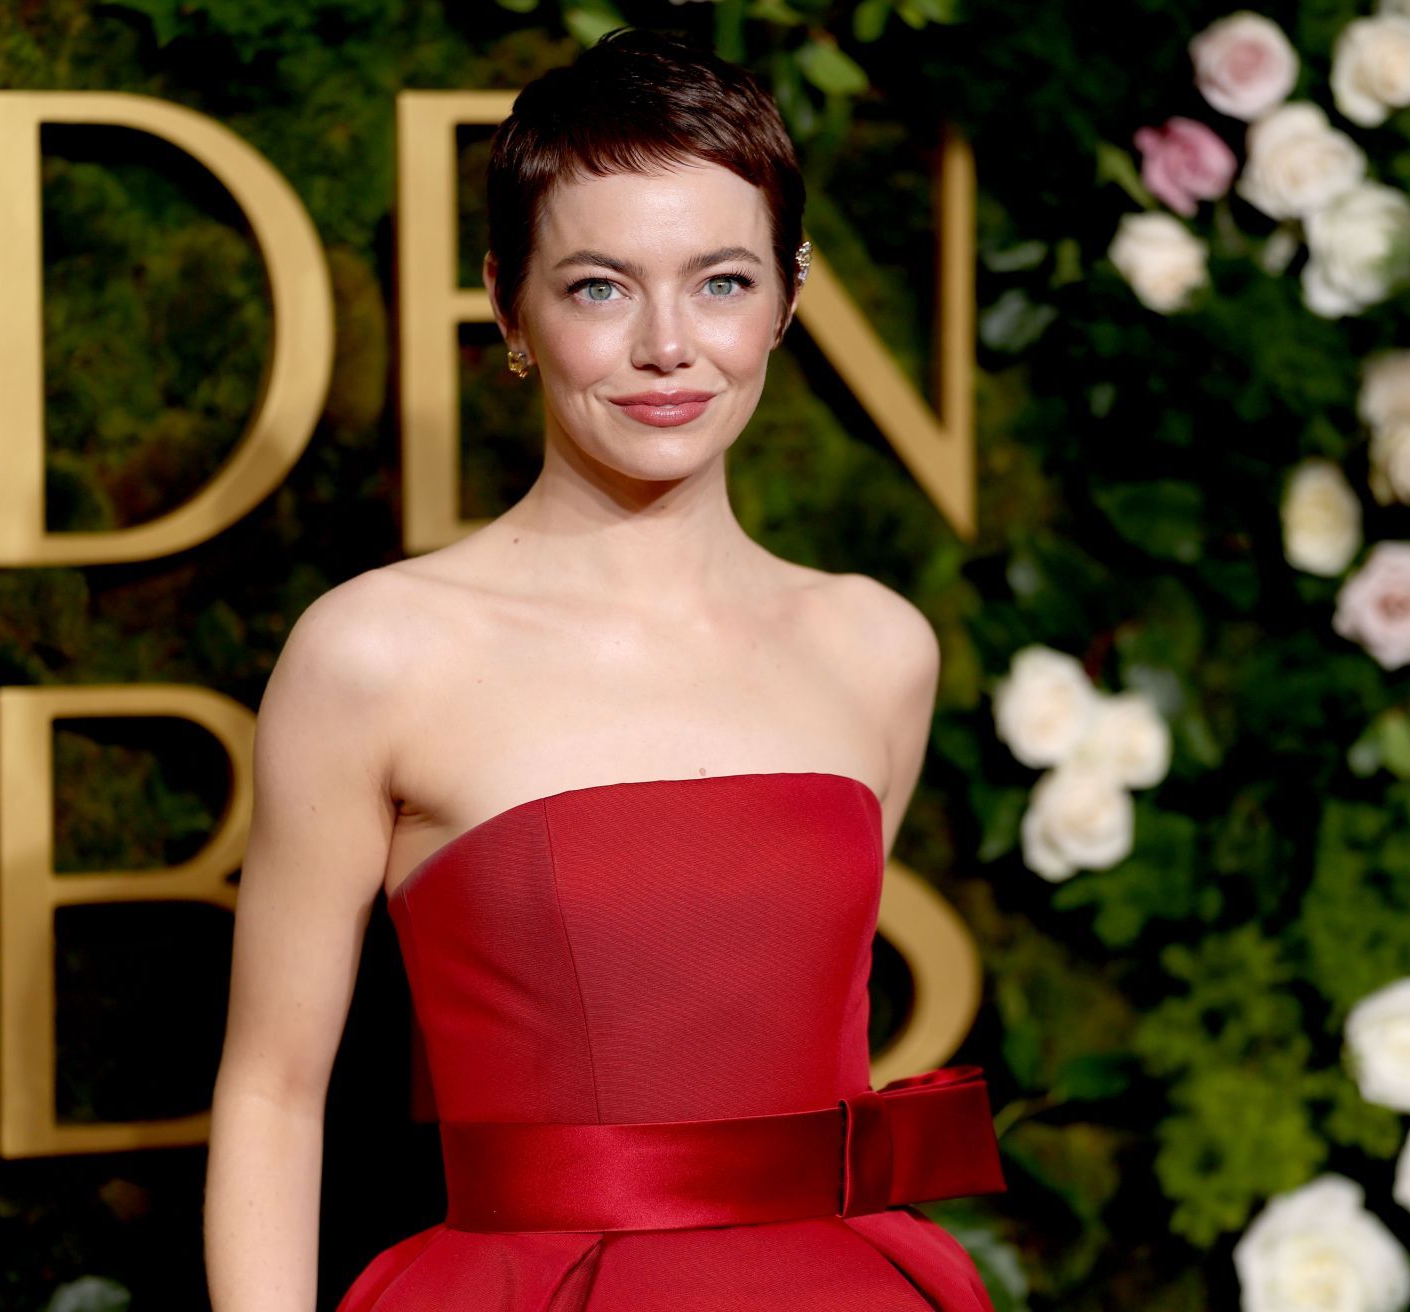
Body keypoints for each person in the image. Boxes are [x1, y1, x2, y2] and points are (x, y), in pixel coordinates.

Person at [204, 27, 1005, 1311]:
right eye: (599, 287)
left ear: (790, 297)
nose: (669, 347)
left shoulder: (875, 647)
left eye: (722, 282)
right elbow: (273, 1088)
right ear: (505, 303)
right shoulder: (377, 652)